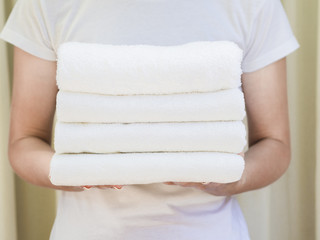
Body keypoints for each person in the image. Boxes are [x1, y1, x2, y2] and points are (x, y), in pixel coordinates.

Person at [0, 0, 300, 239]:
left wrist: (228, 176)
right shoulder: (45, 4)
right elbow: (24, 141)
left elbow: (275, 144)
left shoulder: (253, 4)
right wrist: (76, 173)